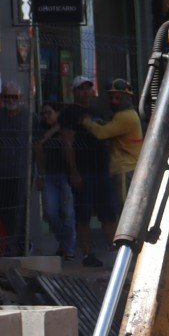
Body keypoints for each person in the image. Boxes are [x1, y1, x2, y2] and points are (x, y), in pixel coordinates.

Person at [82, 78, 143, 242]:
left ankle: (129, 244)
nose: (114, 101)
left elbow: (101, 133)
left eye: (118, 98)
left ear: (126, 99)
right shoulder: (125, 116)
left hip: (125, 170)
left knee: (126, 210)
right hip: (124, 169)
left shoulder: (126, 117)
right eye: (112, 98)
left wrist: (87, 122)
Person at [62, 76, 112, 264]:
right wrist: (74, 171)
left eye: (88, 88)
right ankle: (86, 250)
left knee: (108, 210)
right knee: (84, 211)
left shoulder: (97, 111)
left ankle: (113, 247)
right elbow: (67, 142)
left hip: (102, 169)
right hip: (84, 171)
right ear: (74, 92)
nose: (85, 92)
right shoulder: (70, 113)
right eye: (81, 88)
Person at [0, 83, 31, 256]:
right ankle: (16, 242)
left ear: (21, 99)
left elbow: (37, 145)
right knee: (4, 209)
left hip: (22, 171)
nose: (10, 100)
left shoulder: (28, 117)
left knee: (19, 209)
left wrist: (40, 172)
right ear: (2, 98)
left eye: (14, 97)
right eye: (7, 97)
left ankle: (17, 245)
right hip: (2, 172)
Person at [35, 101, 82, 263]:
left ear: (57, 114)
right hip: (49, 176)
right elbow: (38, 148)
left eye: (49, 113)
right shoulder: (41, 130)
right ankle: (65, 241)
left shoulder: (65, 129)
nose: (46, 116)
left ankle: (68, 248)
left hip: (64, 175)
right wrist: (40, 175)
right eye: (44, 113)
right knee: (50, 213)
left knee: (68, 214)